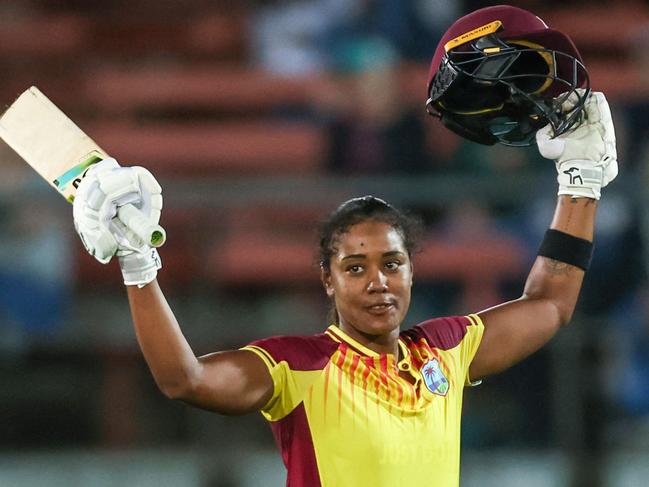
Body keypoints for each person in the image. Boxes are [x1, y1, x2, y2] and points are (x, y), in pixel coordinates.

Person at [71, 5, 618, 487]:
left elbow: (550, 303)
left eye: (392, 263)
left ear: (411, 273)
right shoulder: (297, 366)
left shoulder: (445, 352)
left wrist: (581, 182)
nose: (378, 281)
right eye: (355, 267)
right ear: (327, 280)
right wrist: (138, 263)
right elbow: (183, 379)